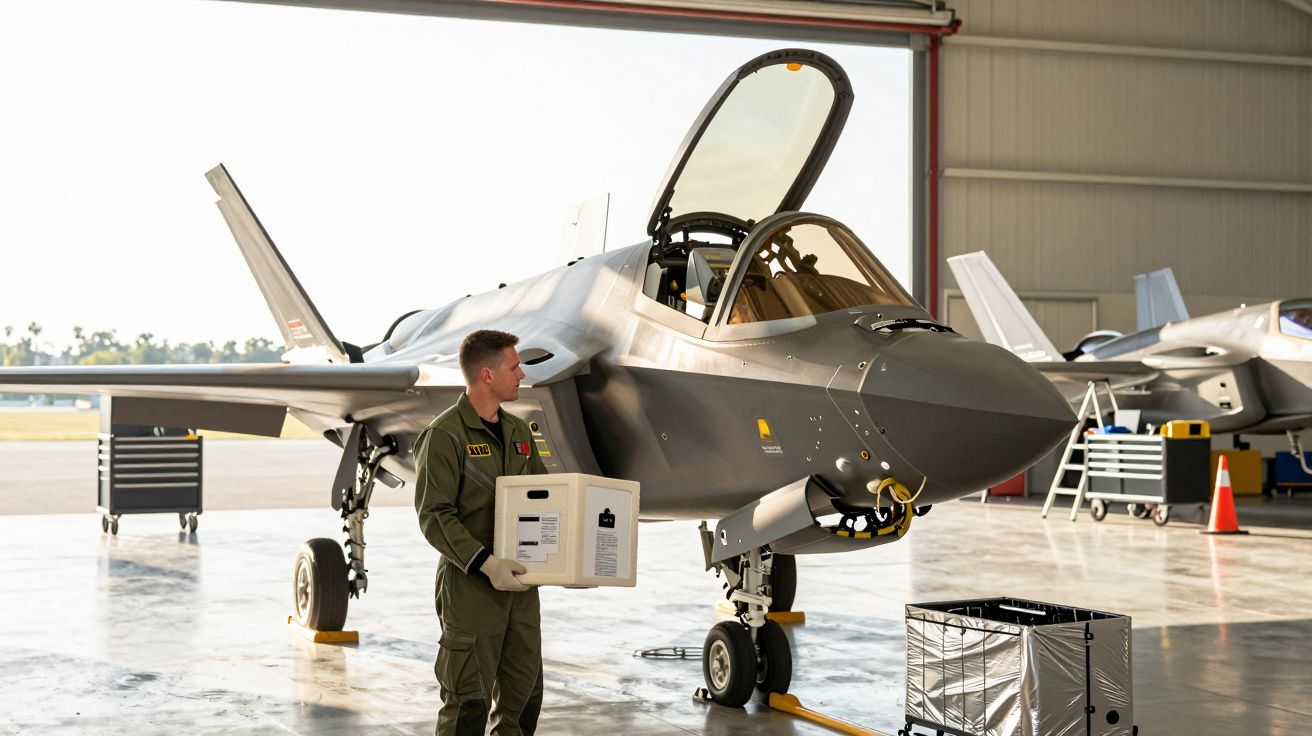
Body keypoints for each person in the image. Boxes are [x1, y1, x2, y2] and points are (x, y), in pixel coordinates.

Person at [413, 329, 547, 736]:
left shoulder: (520, 434)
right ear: (487, 375)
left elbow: (545, 503)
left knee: (523, 702)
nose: (522, 374)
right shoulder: (445, 435)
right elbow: (434, 515)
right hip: (472, 586)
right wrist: (487, 564)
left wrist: (567, 564)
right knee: (467, 703)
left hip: (521, 590)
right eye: (514, 366)